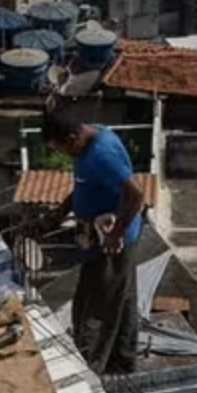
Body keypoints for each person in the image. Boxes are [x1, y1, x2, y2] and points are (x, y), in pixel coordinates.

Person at [43, 104, 147, 375]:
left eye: (61, 149)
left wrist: (115, 234)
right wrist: (62, 210)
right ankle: (122, 361)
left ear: (72, 139)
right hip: (101, 233)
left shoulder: (101, 155)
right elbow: (85, 183)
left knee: (96, 305)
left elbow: (136, 195)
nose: (63, 155)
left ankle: (91, 369)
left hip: (111, 240)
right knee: (122, 299)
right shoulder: (90, 138)